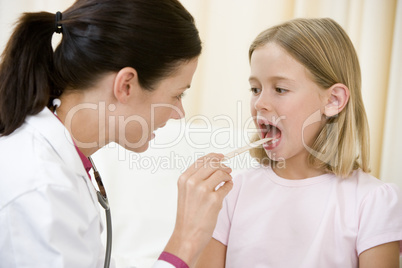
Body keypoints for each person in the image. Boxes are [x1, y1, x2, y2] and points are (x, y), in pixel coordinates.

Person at [0, 0, 234, 267]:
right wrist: (186, 240)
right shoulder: (41, 187)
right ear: (126, 85)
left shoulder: (57, 161)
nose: (179, 113)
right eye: (177, 94)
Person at [195, 18, 402, 267]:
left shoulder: (373, 201)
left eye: (280, 89)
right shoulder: (232, 192)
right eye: (255, 89)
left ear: (333, 100)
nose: (259, 103)